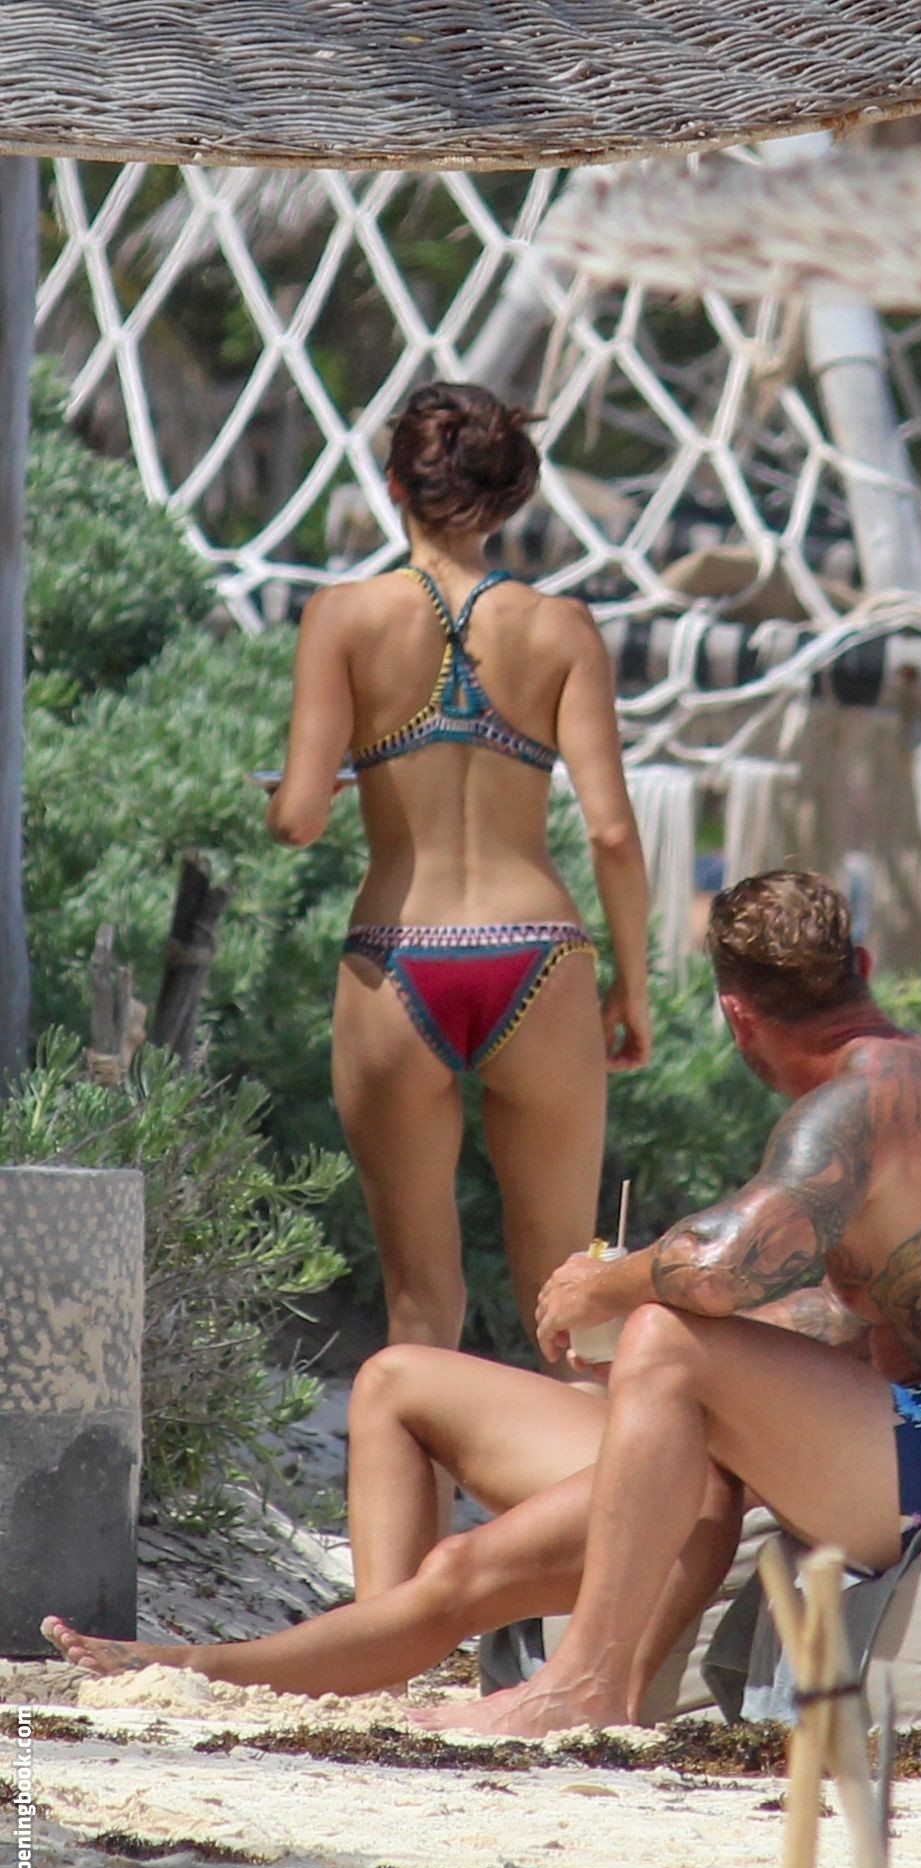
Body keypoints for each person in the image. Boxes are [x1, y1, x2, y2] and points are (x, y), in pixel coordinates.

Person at [44, 869, 921, 1717]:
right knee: (398, 1381)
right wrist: (645, 1356)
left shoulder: (855, 1103)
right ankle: (321, 1667)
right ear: (864, 968)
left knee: (663, 1342)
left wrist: (595, 1287)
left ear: (734, 1016)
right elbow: (858, 1315)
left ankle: (587, 1685)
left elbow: (715, 1268)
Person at [264, 381, 651, 1350]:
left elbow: (299, 820)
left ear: (395, 484)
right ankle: (586, 1456)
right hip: (540, 956)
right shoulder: (562, 627)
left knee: (419, 1308)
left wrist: (303, 792)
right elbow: (611, 833)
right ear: (511, 494)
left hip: (398, 957)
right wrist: (634, 988)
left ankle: (417, 1459)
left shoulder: (341, 616)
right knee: (565, 1306)